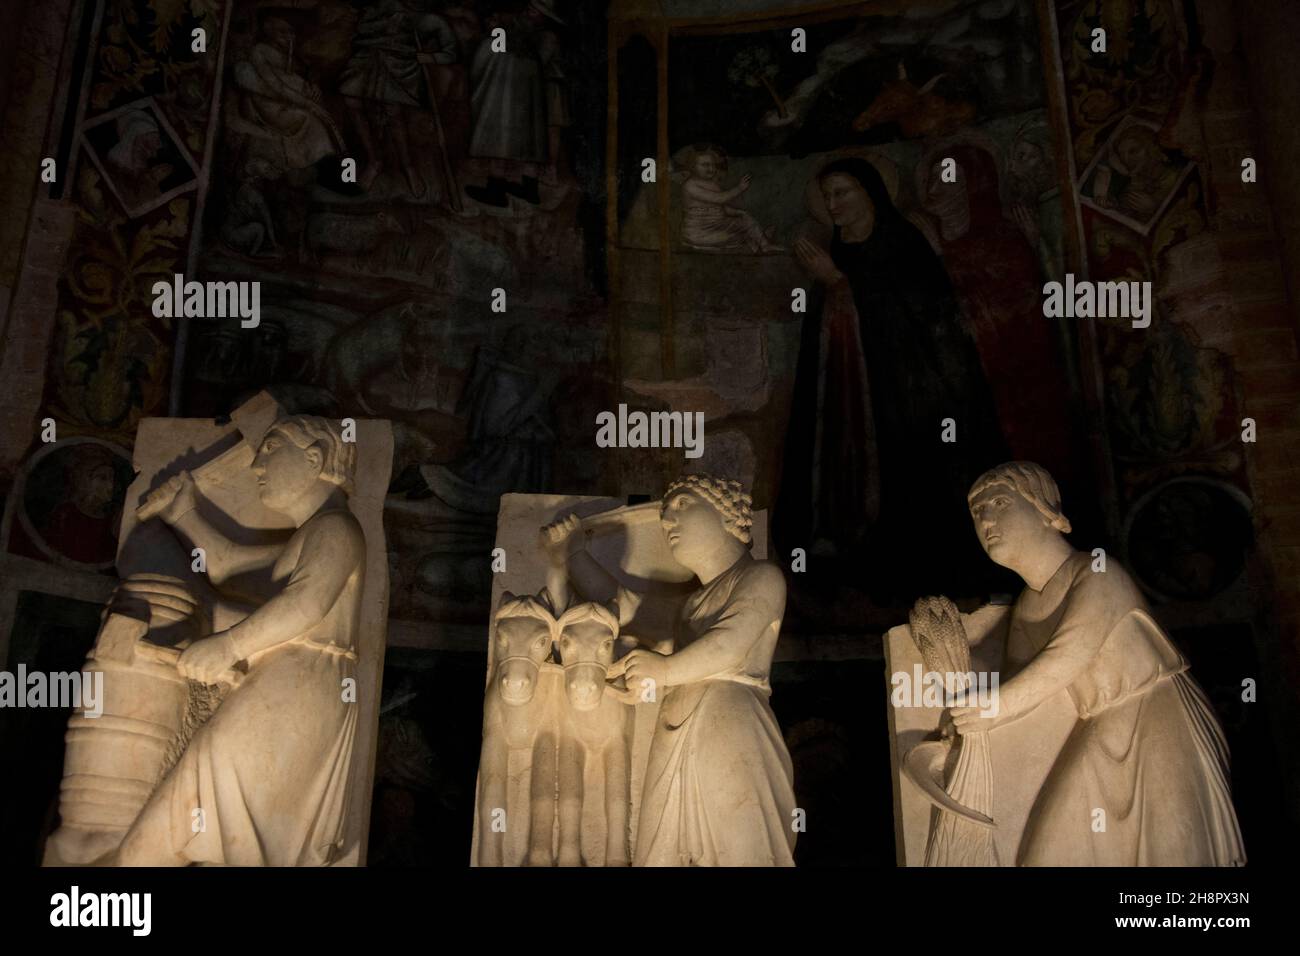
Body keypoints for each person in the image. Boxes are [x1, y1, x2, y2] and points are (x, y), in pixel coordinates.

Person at [944, 461, 1245, 865]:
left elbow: (1066, 656)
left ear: (1046, 511)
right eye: (977, 511)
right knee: (1048, 856)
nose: (986, 518)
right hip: (1102, 726)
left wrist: (992, 708)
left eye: (999, 501)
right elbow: (1020, 683)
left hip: (1157, 719)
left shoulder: (1096, 572)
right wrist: (962, 720)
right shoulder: (1027, 608)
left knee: (1174, 853)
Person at [114, 416, 366, 866]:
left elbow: (306, 605)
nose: (256, 465)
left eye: (270, 449)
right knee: (214, 826)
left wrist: (229, 646)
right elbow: (228, 563)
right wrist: (183, 511)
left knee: (207, 818)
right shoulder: (312, 533)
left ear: (314, 459)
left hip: (297, 686)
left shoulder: (337, 530)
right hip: (287, 682)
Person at [779, 156, 1007, 602]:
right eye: (826, 196)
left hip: (912, 396)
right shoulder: (836, 251)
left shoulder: (902, 242)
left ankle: (922, 570)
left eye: (841, 192)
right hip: (850, 398)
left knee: (915, 482)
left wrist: (841, 284)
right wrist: (831, 286)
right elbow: (819, 335)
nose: (832, 203)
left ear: (870, 193)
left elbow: (925, 317)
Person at [543, 474, 797, 866]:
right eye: (664, 515)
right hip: (674, 722)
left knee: (737, 844)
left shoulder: (761, 577)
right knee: (660, 851)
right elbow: (625, 606)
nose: (668, 520)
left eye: (682, 506)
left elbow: (729, 644)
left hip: (730, 720)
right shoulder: (689, 606)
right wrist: (574, 554)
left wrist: (663, 670)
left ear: (725, 513)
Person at [680, 145, 782, 253]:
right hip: (700, 231)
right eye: (705, 165)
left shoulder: (712, 184)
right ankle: (758, 240)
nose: (711, 169)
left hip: (718, 225)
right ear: (692, 166)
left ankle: (764, 244)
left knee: (745, 219)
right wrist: (739, 188)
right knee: (735, 237)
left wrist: (737, 212)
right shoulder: (690, 185)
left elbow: (718, 207)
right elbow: (719, 199)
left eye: (713, 165)